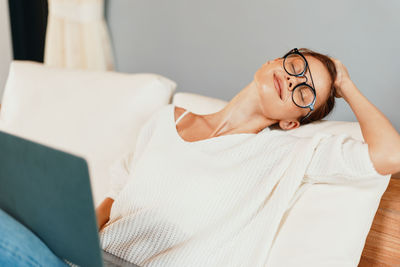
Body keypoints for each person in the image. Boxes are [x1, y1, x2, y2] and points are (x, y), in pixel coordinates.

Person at [1, 48, 399, 266]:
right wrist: (71, 241)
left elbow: (390, 155)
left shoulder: (288, 152)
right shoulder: (164, 120)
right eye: (296, 66)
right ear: (270, 62)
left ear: (295, 122)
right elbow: (117, 194)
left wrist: (344, 83)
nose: (295, 80)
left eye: (305, 93)